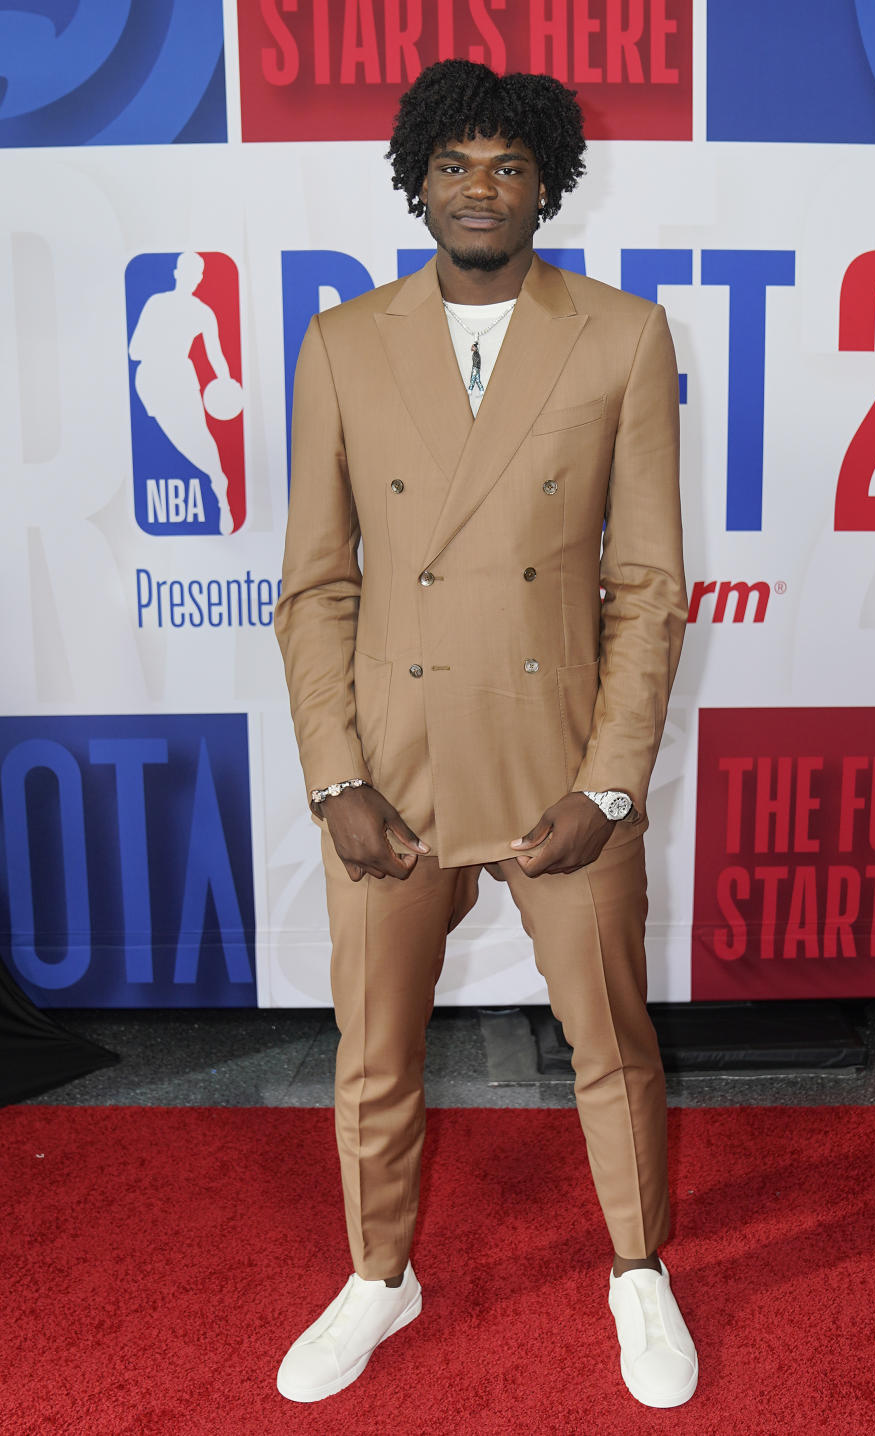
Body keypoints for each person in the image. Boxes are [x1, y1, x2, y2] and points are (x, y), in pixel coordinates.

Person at [273, 59, 695, 1410]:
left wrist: (614, 785)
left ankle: (638, 1270)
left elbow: (647, 585)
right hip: (389, 770)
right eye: (453, 164)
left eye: (509, 165)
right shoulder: (340, 343)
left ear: (548, 182)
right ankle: (379, 1278)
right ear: (415, 178)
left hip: (559, 764)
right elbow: (315, 582)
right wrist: (335, 773)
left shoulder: (623, 335)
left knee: (611, 1042)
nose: (480, 189)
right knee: (374, 1048)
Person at [128, 251, 236, 534]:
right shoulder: (156, 303)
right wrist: (161, 343)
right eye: (187, 272)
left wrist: (225, 383)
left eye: (196, 274)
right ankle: (217, 480)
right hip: (151, 381)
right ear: (177, 273)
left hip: (181, 378)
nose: (191, 278)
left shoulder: (203, 312)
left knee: (199, 437)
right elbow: (134, 349)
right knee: (181, 441)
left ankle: (220, 489)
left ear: (200, 279)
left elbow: (216, 356)